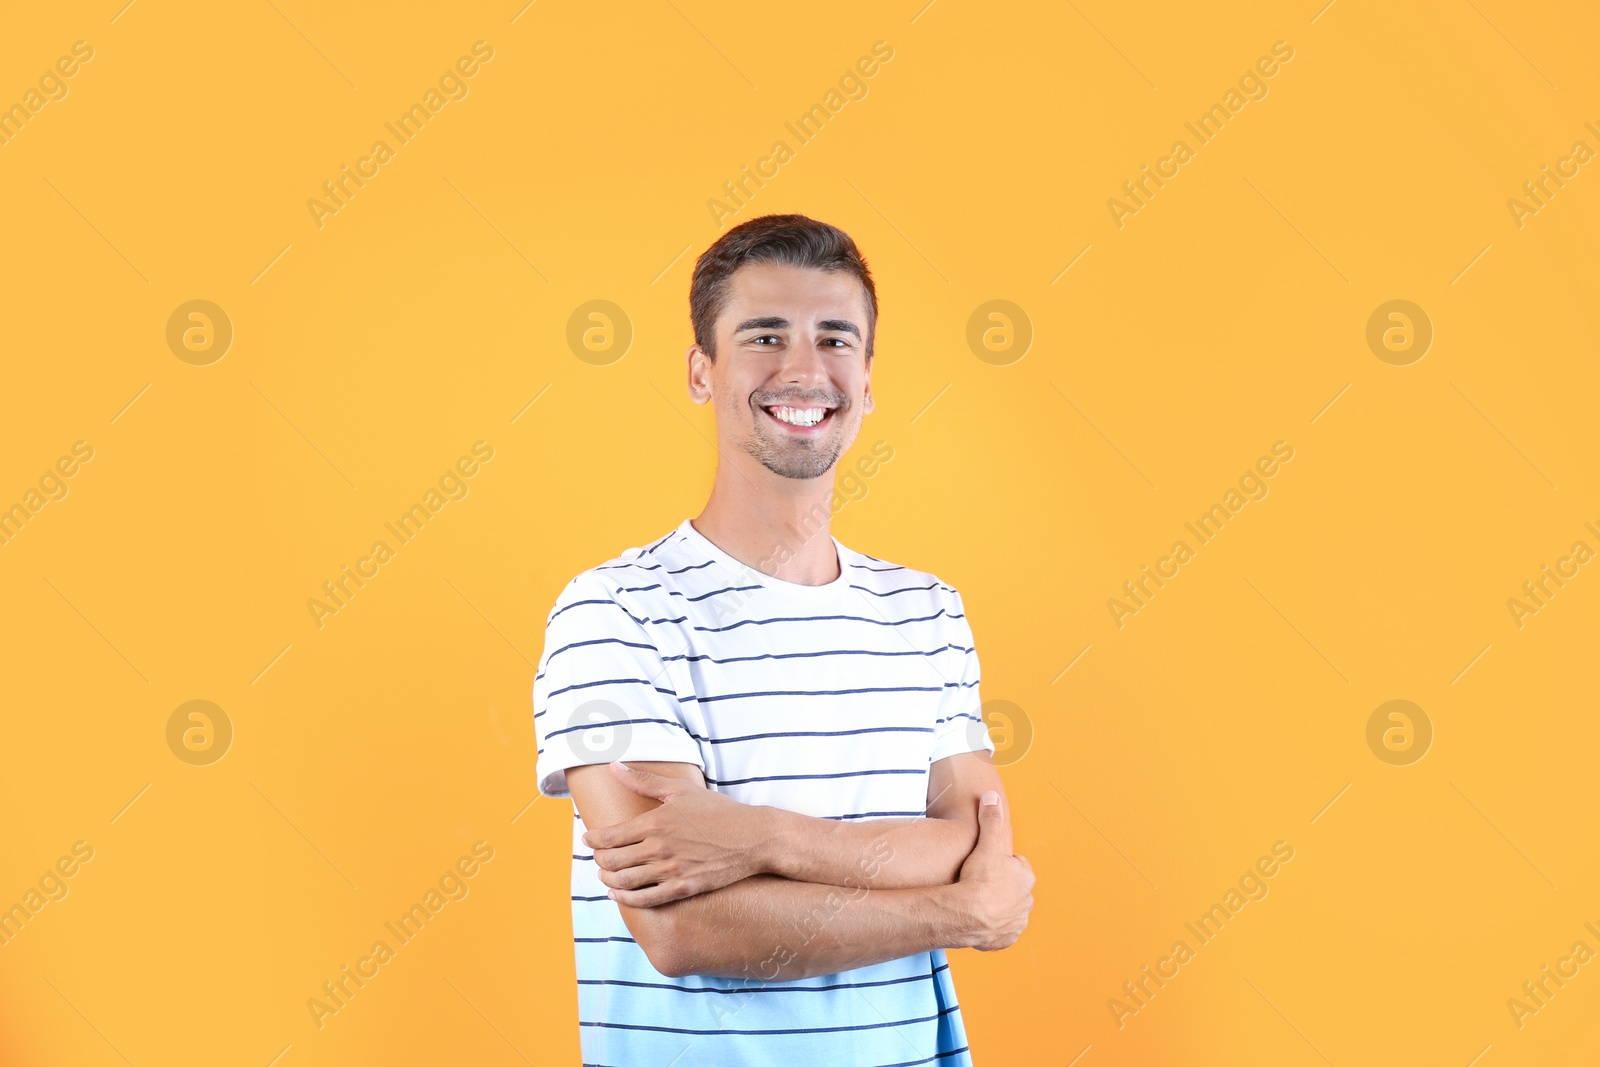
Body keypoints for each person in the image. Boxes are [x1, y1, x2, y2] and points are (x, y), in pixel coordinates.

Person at [533, 213, 1035, 1066]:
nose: (805, 369)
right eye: (765, 335)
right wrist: (954, 914)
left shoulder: (928, 611)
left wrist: (759, 838)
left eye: (835, 338)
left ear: (868, 381)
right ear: (702, 371)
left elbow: (970, 842)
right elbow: (684, 928)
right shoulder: (612, 611)